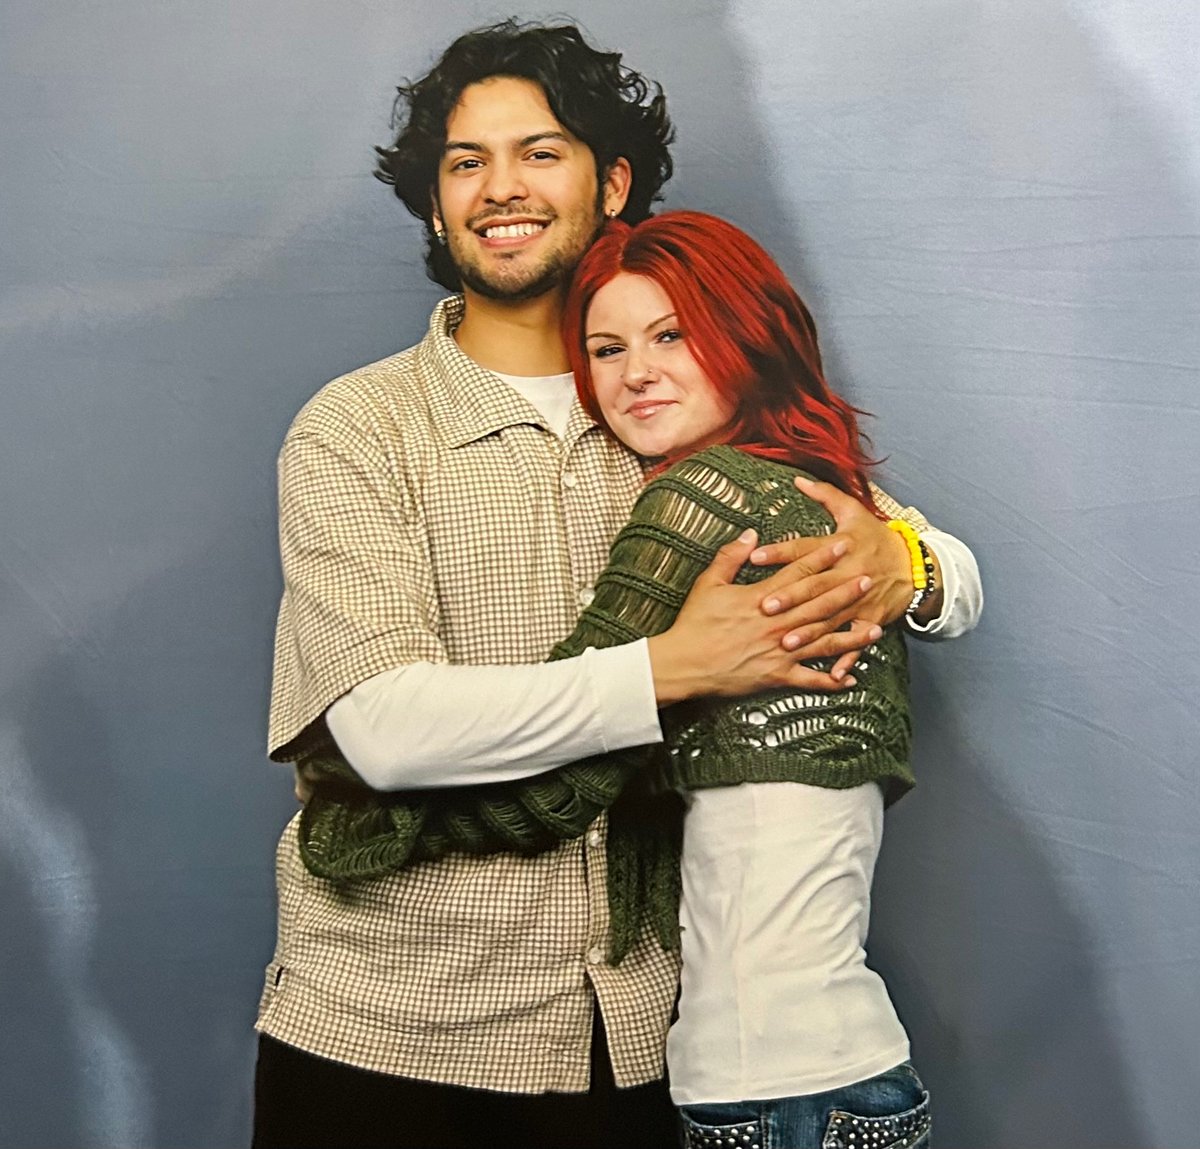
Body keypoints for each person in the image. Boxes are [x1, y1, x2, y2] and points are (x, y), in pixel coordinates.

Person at [253, 20, 982, 1149]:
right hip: (394, 1033)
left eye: (541, 151)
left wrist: (908, 563)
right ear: (438, 204)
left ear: (614, 182)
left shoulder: (680, 412)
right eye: (465, 161)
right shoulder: (358, 429)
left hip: (648, 1037)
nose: (502, 188)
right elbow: (381, 728)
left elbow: (937, 566)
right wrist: (674, 668)